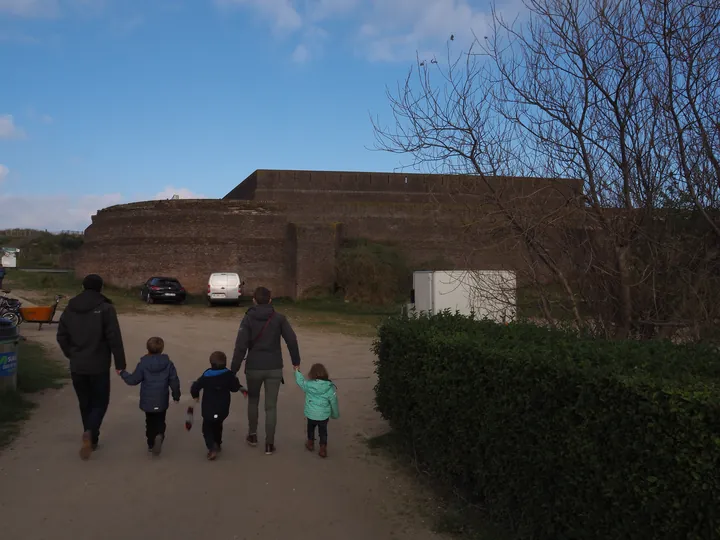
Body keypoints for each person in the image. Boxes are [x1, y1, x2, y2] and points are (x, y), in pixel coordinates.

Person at [56, 274, 126, 460]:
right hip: (99, 365)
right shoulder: (105, 308)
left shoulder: (70, 308)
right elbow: (114, 338)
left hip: (77, 365)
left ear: (82, 286)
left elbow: (61, 335)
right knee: (100, 402)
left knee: (85, 403)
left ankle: (91, 438)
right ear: (101, 288)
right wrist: (120, 364)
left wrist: (71, 354)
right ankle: (90, 432)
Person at [231, 286, 301, 455]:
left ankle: (253, 435)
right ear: (270, 300)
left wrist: (233, 370)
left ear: (254, 300)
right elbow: (291, 340)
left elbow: (240, 347)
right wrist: (296, 362)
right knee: (271, 407)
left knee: (253, 401)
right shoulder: (279, 318)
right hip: (274, 367)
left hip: (254, 367)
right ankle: (269, 444)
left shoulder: (248, 319)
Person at [118, 336, 181, 456]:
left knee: (150, 422)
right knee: (160, 421)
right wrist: (176, 395)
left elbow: (133, 380)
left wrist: (123, 373)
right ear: (162, 349)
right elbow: (174, 381)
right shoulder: (168, 364)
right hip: (161, 399)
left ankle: (151, 444)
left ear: (147, 349)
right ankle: (160, 435)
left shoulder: (143, 364)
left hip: (148, 400)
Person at [190, 351, 246, 461]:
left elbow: (195, 387)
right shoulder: (229, 375)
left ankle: (212, 447)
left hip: (208, 408)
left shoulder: (206, 375)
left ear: (211, 363)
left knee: (207, 428)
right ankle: (218, 442)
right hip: (222, 408)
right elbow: (234, 388)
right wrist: (241, 388)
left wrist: (195, 396)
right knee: (218, 424)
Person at [294, 363, 340, 458]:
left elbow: (300, 381)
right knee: (323, 431)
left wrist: (297, 371)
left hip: (311, 413)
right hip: (323, 415)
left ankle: (310, 443)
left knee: (310, 428)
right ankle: (323, 449)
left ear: (311, 374)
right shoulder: (329, 387)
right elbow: (334, 402)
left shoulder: (308, 385)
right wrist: (335, 414)